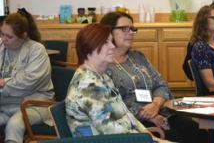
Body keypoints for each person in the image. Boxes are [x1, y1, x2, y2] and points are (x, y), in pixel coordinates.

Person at [100, 12, 208, 143]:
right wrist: (148, 114)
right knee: (176, 137)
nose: (130, 32)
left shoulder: (138, 57)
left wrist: (156, 105)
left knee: (196, 130)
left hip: (161, 111)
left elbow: (161, 84)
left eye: (132, 29)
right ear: (108, 32)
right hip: (134, 121)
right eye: (124, 29)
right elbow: (112, 102)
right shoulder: (103, 64)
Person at [65, 24, 167, 142]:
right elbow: (111, 130)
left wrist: (148, 135)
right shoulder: (88, 85)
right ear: (89, 46)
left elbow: (126, 115)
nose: (112, 46)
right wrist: (151, 140)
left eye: (111, 41)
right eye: (105, 42)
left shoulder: (101, 76)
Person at [0, 9, 54, 143]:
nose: (4, 39)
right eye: (2, 34)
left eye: (9, 36)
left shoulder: (36, 50)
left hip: (34, 104)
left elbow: (28, 81)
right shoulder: (1, 46)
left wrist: (3, 82)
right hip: (6, 105)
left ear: (23, 35)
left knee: (14, 125)